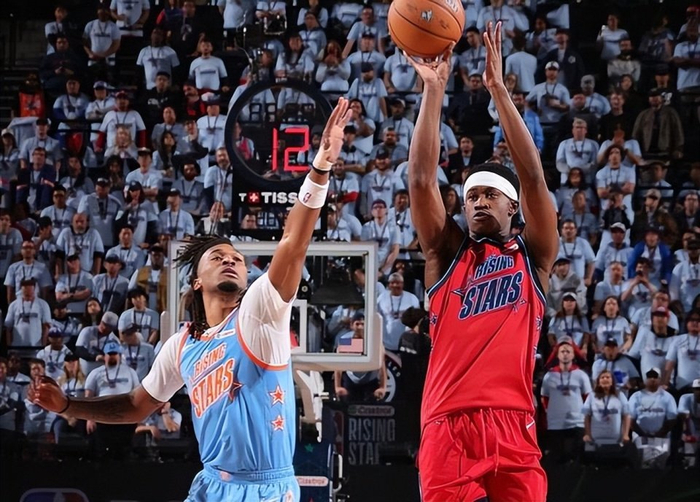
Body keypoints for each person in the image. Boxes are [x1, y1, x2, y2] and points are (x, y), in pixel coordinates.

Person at [29, 98, 353, 501]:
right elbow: (136, 405)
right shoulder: (182, 344)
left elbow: (293, 242)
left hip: (264, 488)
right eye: (218, 257)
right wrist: (68, 406)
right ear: (197, 281)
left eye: (237, 258)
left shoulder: (258, 314)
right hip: (211, 483)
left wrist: (320, 166)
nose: (231, 261)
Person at [406, 23, 557, 501]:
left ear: (512, 206)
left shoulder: (534, 255)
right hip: (448, 422)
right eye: (471, 197)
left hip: (515, 423)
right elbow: (420, 181)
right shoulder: (447, 252)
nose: (478, 202)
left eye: (490, 194)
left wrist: (498, 91)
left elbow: (533, 178)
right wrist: (434, 90)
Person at [541, 342, 592, 462]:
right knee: (557, 458)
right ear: (557, 355)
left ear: (573, 355)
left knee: (577, 457)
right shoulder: (549, 376)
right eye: (562, 351)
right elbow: (544, 397)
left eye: (568, 351)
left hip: (577, 422)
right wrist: (551, 412)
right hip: (555, 423)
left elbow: (588, 397)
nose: (565, 354)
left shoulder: (581, 375)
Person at [582, 370, 631, 446]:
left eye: (608, 377)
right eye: (602, 377)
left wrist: (626, 434)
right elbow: (586, 416)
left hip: (616, 440)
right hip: (596, 439)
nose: (605, 379)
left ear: (612, 381)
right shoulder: (591, 396)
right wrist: (587, 434)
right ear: (598, 382)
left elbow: (626, 416)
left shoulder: (620, 395)